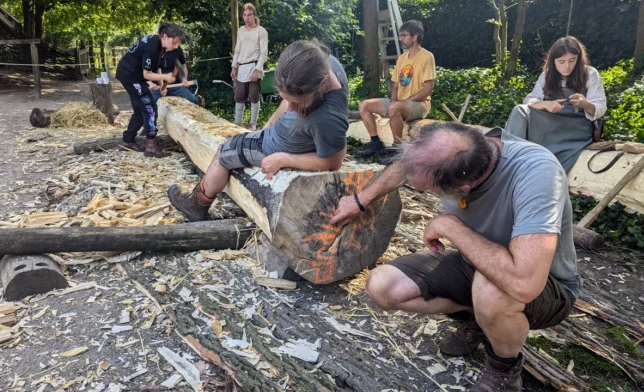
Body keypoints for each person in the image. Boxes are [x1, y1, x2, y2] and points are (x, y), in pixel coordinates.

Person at [330, 122, 581, 392]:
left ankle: (504, 370)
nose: (419, 188)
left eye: (429, 190)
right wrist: (361, 200)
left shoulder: (537, 173)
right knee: (383, 287)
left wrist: (451, 226)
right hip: (477, 263)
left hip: (545, 287)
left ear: (464, 188)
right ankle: (481, 321)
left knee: (491, 291)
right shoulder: (462, 143)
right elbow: (408, 167)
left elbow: (525, 283)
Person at [167, 40, 349, 222]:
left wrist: (283, 159)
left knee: (225, 150)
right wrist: (271, 122)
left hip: (275, 147)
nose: (291, 108)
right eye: (287, 99)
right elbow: (289, 99)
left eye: (298, 102)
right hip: (278, 136)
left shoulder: (329, 118)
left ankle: (197, 204)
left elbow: (333, 162)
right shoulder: (319, 62)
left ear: (322, 84)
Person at [505, 36, 606, 173]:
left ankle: (537, 166)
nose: (567, 66)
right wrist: (546, 105)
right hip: (551, 121)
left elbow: (600, 107)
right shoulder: (547, 76)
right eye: (561, 61)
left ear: (579, 58)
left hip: (576, 126)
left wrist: (585, 104)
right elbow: (529, 101)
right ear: (553, 61)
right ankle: (511, 160)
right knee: (519, 110)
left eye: (572, 61)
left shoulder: (590, 73)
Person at [356, 20, 435, 158]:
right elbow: (395, 85)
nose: (400, 38)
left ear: (414, 37)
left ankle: (398, 149)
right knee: (364, 105)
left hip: (420, 104)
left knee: (395, 107)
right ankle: (376, 144)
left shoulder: (427, 57)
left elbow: (427, 89)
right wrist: (393, 102)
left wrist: (402, 103)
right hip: (400, 103)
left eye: (404, 35)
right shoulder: (402, 58)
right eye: (400, 35)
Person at [116, 23, 184, 158]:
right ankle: (151, 146)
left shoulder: (158, 45)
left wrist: (157, 83)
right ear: (165, 36)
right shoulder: (152, 47)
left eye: (178, 44)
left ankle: (128, 140)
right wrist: (164, 76)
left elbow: (151, 69)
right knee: (150, 108)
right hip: (130, 76)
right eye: (174, 42)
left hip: (133, 75)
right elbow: (146, 73)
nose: (176, 47)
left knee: (140, 109)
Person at [231, 3, 268, 130]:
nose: (247, 18)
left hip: (254, 66)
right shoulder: (241, 30)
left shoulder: (261, 31)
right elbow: (237, 50)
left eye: (250, 15)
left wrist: (257, 70)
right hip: (242, 67)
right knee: (239, 96)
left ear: (254, 15)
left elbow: (263, 52)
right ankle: (237, 123)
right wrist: (234, 67)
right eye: (245, 15)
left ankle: (252, 124)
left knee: (254, 97)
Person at [150, 39, 201, 106]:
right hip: (157, 87)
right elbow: (155, 70)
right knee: (150, 103)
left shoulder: (178, 50)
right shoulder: (156, 50)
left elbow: (183, 67)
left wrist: (184, 78)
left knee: (193, 100)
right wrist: (160, 86)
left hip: (175, 86)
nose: (176, 46)